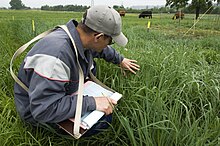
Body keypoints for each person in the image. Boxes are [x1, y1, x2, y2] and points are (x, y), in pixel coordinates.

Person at [14, 5, 140, 136]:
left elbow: (102, 49)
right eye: (110, 41)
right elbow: (43, 110)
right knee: (103, 121)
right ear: (98, 37)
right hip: (38, 113)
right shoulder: (56, 58)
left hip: (57, 94)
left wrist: (120, 60)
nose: (108, 45)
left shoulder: (80, 36)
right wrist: (92, 102)